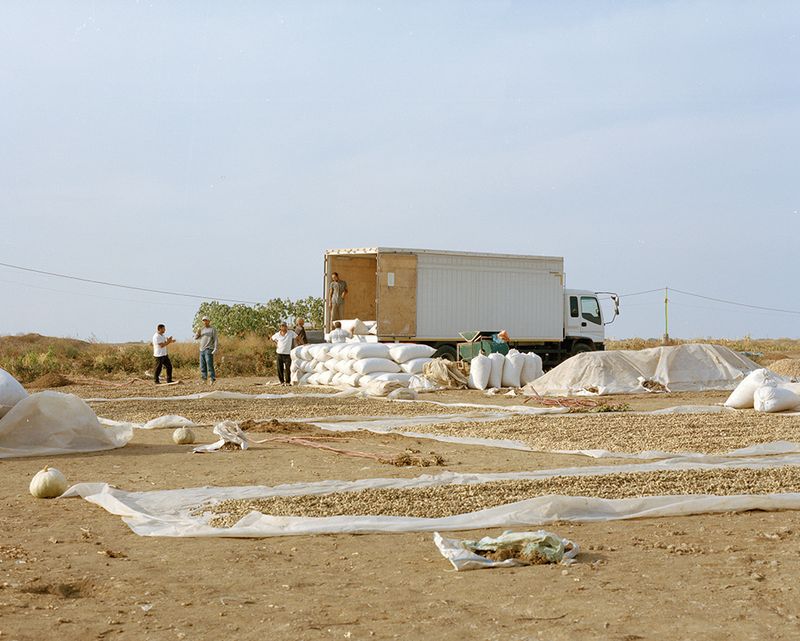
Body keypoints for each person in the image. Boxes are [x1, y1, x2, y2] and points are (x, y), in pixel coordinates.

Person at [271, 322, 297, 386]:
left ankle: (288, 382)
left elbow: (297, 337)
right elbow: (272, 338)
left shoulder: (290, 333)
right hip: (279, 353)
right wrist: (276, 343)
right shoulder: (277, 334)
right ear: (280, 327)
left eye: (285, 326)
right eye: (282, 326)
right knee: (280, 368)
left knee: (288, 368)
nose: (284, 327)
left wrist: (302, 344)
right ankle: (282, 381)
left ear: (286, 327)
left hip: (287, 354)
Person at [194, 316, 219, 384]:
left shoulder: (212, 329)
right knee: (202, 365)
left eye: (206, 320)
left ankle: (212, 379)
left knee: (209, 364)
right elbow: (196, 338)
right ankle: (204, 379)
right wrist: (197, 332)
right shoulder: (201, 329)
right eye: (203, 321)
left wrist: (215, 348)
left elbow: (215, 339)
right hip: (201, 349)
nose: (204, 322)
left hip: (209, 349)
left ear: (209, 321)